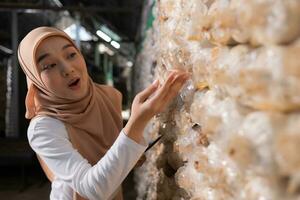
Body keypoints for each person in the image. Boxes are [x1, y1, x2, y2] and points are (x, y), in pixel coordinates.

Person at [18, 26, 189, 200]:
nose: (67, 68)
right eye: (49, 66)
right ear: (35, 79)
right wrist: (137, 122)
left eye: (71, 54)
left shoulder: (106, 97)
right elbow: (92, 190)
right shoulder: (43, 128)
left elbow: (112, 152)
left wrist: (129, 157)